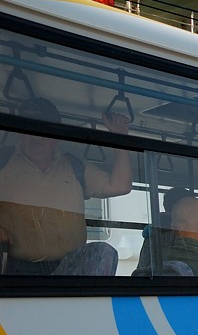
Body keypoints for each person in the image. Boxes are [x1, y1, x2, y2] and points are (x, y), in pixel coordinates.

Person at [0, 97, 132, 274]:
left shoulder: (75, 165)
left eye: (43, 128)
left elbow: (120, 185)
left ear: (56, 135)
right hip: (11, 267)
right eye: (28, 127)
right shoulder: (3, 160)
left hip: (67, 269)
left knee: (104, 252)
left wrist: (120, 137)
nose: (34, 136)